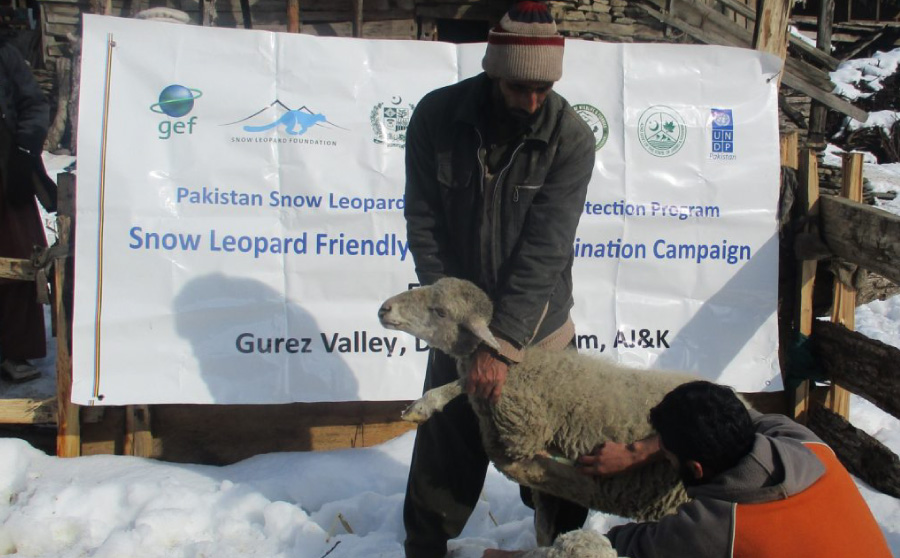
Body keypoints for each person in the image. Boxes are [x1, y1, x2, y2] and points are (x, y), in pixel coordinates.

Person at [402, 1, 596, 556]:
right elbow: (425, 219)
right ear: (492, 69)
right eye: (518, 88)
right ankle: (425, 549)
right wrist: (452, 318)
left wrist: (503, 343)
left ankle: (562, 548)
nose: (532, 102)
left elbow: (546, 249)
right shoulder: (437, 118)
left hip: (538, 328)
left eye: (544, 90)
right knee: (445, 450)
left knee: (557, 459)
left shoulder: (570, 137)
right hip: (461, 322)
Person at [485, 381, 893, 558]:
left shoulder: (716, 529)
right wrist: (640, 449)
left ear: (696, 469)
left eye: (670, 454)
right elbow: (748, 417)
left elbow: (615, 548)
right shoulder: (809, 447)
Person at [0, 36, 55, 383]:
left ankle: (14, 351)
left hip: (6, 174)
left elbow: (34, 105)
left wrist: (22, 153)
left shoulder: (5, 53)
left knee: (18, 259)